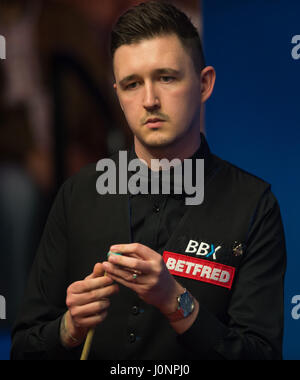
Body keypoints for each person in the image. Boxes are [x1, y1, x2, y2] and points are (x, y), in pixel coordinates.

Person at [10, 1, 286, 360]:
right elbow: (23, 349)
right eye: (132, 84)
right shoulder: (79, 194)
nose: (149, 100)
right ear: (118, 95)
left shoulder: (254, 204)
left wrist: (176, 301)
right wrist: (68, 328)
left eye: (166, 77)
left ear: (204, 84)